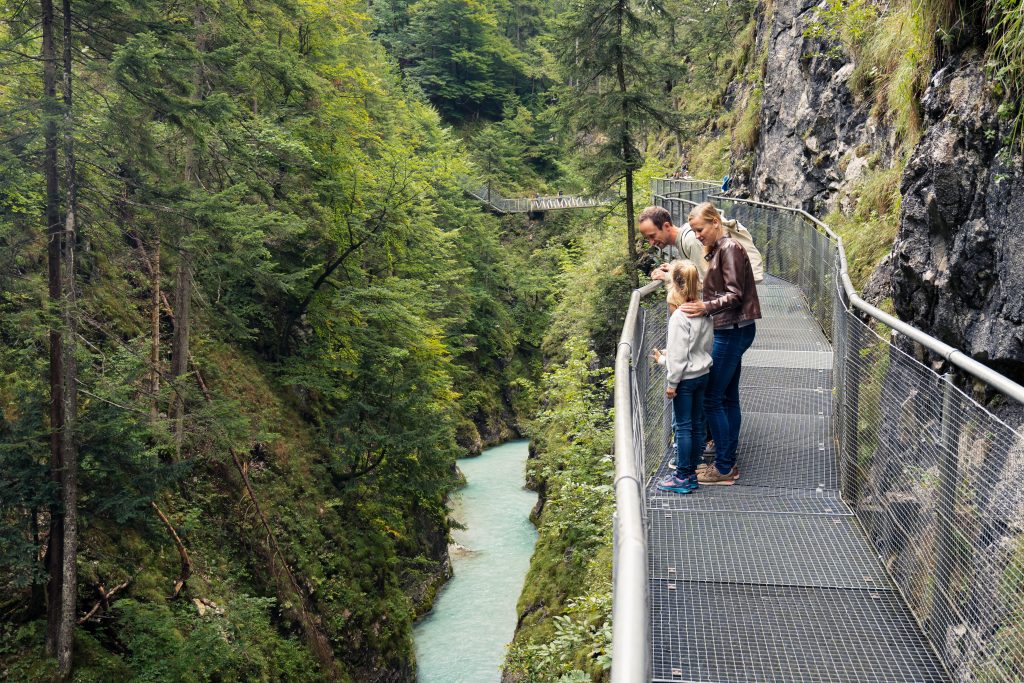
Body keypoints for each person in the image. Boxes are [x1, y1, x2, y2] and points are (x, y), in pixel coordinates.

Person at [679, 201, 762, 485]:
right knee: (726, 397)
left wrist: (705, 307)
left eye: (700, 229)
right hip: (734, 327)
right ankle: (726, 460)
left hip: (732, 329)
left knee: (713, 398)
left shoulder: (729, 249)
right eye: (693, 231)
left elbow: (735, 294)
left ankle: (725, 468)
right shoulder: (721, 249)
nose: (697, 235)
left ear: (715, 222)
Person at [653, 260, 714, 494]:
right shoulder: (703, 310)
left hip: (685, 380)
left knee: (683, 427)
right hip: (702, 373)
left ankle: (683, 475)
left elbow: (678, 358)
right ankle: (692, 470)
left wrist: (670, 382)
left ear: (675, 287)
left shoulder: (679, 317)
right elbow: (700, 346)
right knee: (698, 424)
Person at [637, 206, 707, 282]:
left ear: (666, 226)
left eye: (652, 236)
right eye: (648, 238)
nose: (651, 243)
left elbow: (705, 282)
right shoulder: (685, 233)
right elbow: (695, 272)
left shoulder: (690, 241)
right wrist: (675, 270)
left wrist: (668, 277)